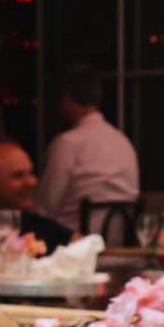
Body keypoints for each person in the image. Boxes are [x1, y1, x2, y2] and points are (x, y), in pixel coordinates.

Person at [35, 64, 140, 234]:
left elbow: (46, 207)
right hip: (118, 245)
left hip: (74, 247)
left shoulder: (67, 143)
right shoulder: (123, 142)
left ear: (66, 100)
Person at [0, 140, 73, 250]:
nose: (32, 182)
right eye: (18, 176)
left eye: (31, 173)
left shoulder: (40, 226)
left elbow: (81, 243)